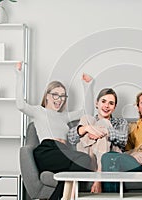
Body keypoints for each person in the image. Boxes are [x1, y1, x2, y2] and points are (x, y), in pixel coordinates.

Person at [15, 62, 93, 200]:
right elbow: (20, 105)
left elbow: (87, 112)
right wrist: (19, 75)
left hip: (63, 152)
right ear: (47, 96)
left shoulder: (64, 116)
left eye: (63, 96)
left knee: (84, 162)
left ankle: (59, 197)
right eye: (55, 95)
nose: (59, 99)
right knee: (83, 159)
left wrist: (87, 86)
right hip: (47, 151)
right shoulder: (39, 111)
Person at [67, 88, 129, 193]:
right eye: (103, 101)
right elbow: (71, 138)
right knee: (86, 118)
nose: (106, 106)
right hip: (89, 158)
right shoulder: (88, 121)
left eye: (111, 103)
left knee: (104, 123)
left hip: (109, 160)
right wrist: (86, 128)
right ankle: (93, 171)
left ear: (114, 107)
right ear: (97, 103)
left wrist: (105, 131)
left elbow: (123, 139)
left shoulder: (120, 122)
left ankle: (98, 177)